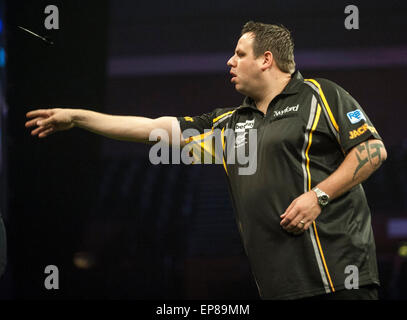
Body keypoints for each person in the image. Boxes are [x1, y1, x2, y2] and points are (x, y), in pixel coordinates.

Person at [25, 21, 387, 300]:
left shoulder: (320, 95)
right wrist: (78, 117)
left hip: (340, 279)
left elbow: (372, 151)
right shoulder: (229, 125)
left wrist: (318, 196)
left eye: (240, 54)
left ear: (266, 59)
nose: (230, 61)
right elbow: (152, 128)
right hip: (279, 287)